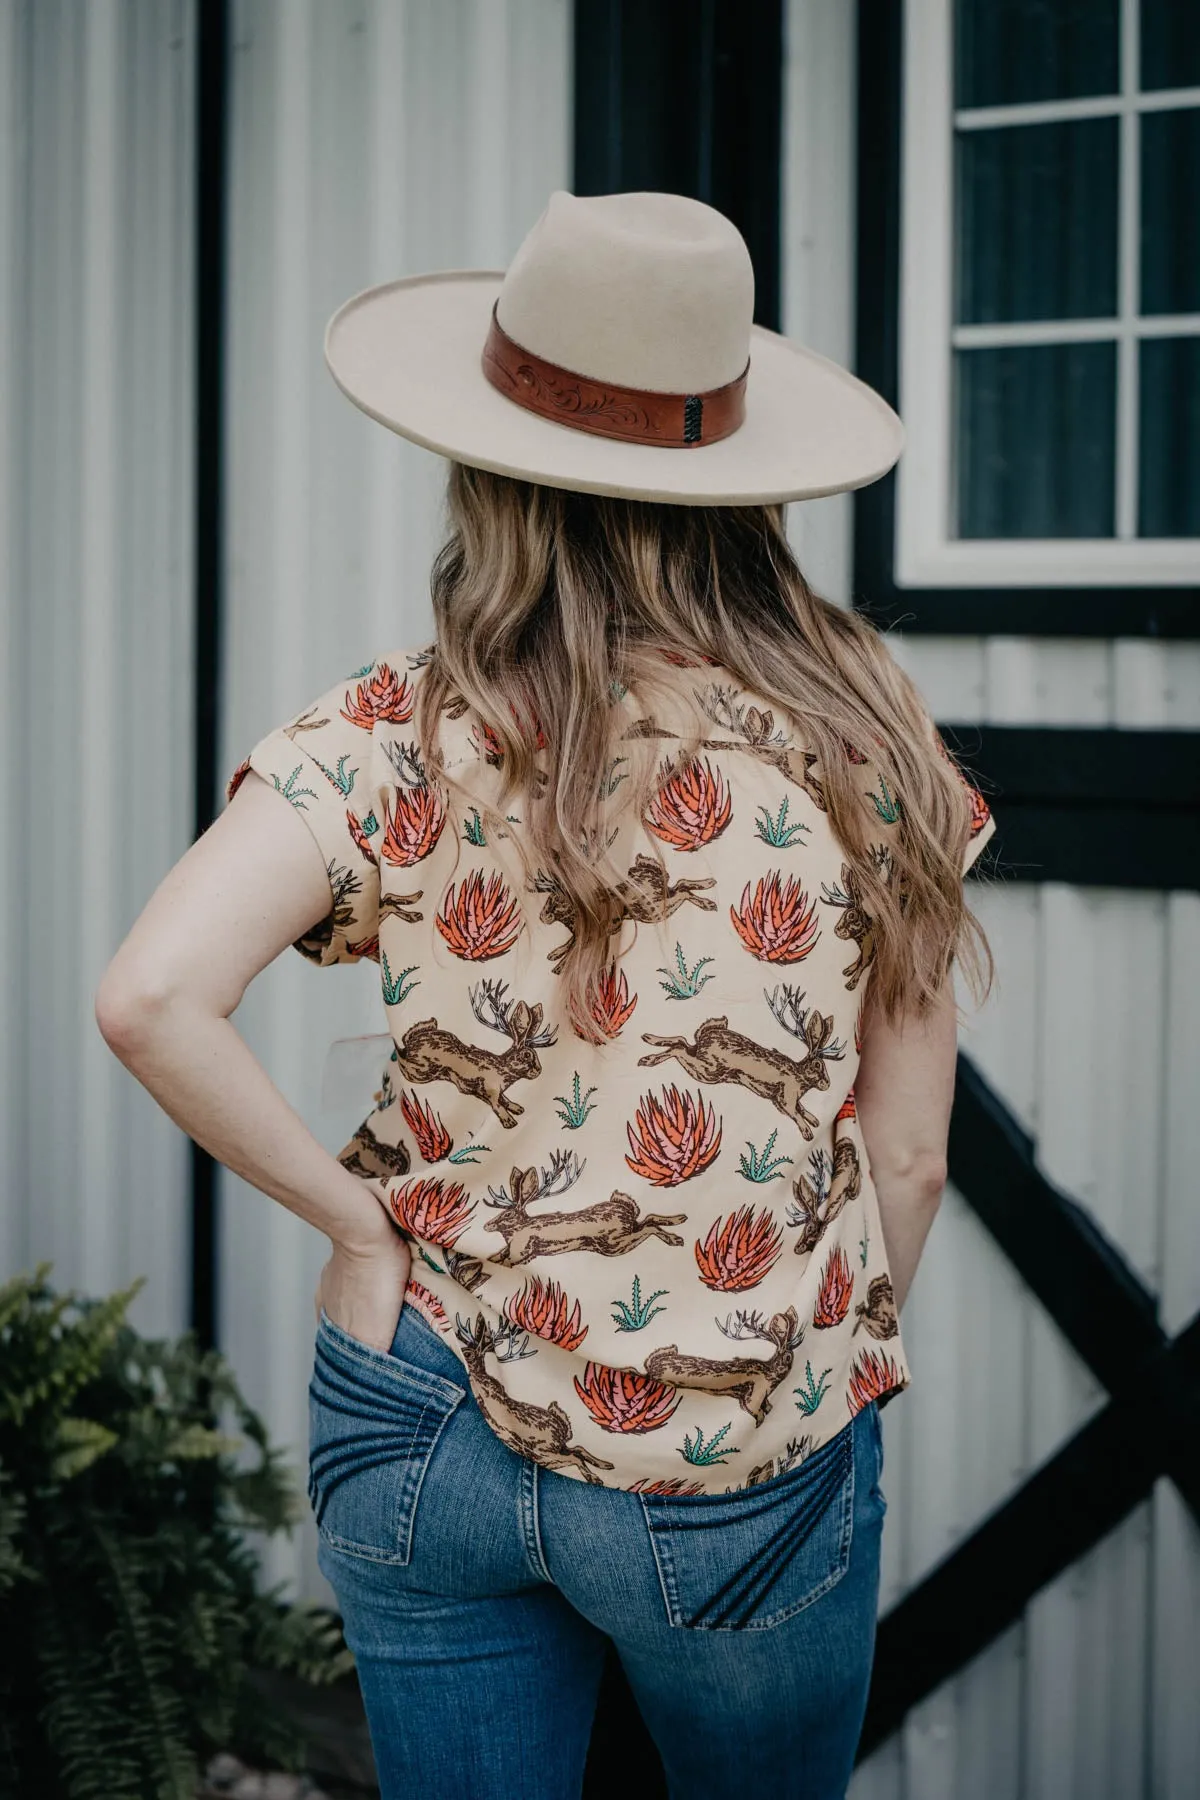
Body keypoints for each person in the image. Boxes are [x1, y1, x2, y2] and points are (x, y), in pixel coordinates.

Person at [96, 190, 996, 1800]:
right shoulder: (872, 746)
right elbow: (912, 1159)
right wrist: (789, 1378)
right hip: (735, 1446)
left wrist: (362, 1229)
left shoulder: (390, 734)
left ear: (486, 465)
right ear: (742, 477)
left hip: (419, 1412)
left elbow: (152, 995)